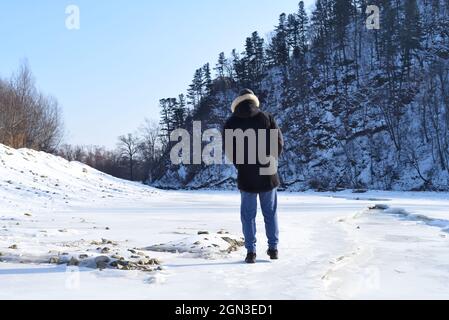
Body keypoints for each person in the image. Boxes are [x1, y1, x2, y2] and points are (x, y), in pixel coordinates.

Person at [224, 89, 284, 264]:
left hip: (246, 175)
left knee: (248, 216)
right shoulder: (267, 117)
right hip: (268, 173)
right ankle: (273, 249)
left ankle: (251, 252)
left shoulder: (231, 122)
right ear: (253, 101)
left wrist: (242, 166)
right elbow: (278, 143)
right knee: (270, 213)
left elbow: (230, 151)